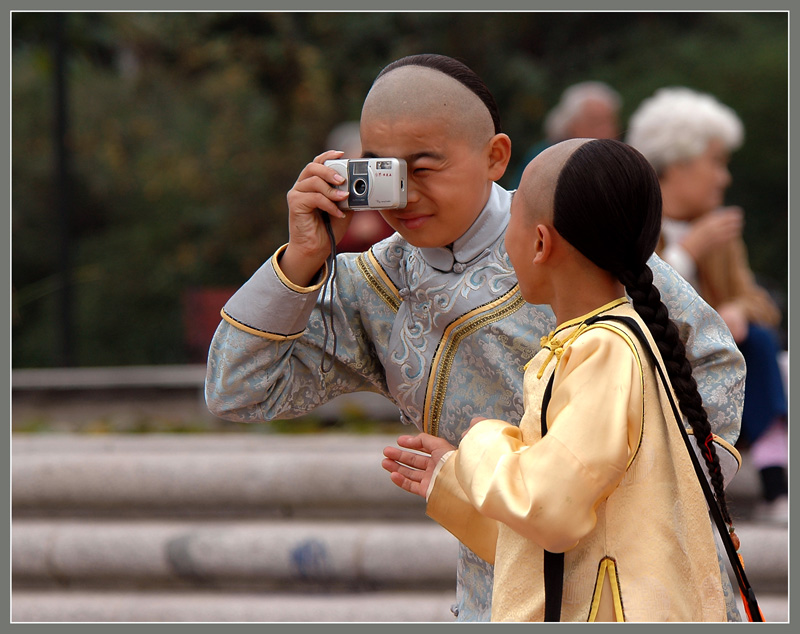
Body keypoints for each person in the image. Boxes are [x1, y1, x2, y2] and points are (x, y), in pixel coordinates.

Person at [205, 54, 745, 622]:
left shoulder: (570, 235)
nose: (404, 195)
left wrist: (679, 503)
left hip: (643, 589)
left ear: (496, 156)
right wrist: (300, 261)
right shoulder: (371, 285)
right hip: (498, 591)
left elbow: (709, 359)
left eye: (425, 167)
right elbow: (238, 389)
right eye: (383, 171)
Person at [382, 138, 740, 621]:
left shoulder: (604, 350)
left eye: (512, 221)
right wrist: (449, 481)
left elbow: (551, 511)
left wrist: (479, 443)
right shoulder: (598, 342)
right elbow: (556, 547)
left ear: (540, 243)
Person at [626, 87, 788, 524]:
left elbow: (760, 302)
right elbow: (623, 301)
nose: (725, 178)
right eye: (716, 162)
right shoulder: (630, 220)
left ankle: (776, 482)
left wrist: (737, 311)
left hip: (718, 370)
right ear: (677, 162)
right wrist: (687, 254)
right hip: (653, 366)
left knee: (757, 336)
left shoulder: (720, 230)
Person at [509, 81, 621, 187]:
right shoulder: (543, 159)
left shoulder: (620, 160)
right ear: (570, 127)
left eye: (611, 122)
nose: (606, 131)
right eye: (594, 123)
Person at [324, 121, 394, 253]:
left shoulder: (388, 193)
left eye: (366, 166)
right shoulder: (330, 196)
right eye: (352, 168)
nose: (360, 176)